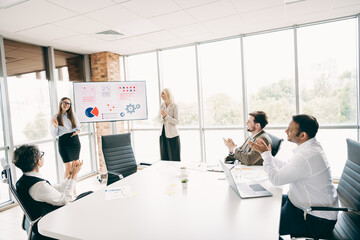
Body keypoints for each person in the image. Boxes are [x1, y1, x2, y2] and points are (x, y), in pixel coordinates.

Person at [249, 114, 339, 239]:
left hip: (315, 219)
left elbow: (276, 179)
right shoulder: (310, 148)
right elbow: (289, 167)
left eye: (290, 130)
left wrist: (266, 156)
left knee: (264, 227)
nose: (286, 131)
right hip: (302, 204)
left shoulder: (307, 155)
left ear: (302, 135)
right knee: (267, 201)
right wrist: (268, 155)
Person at [13, 144, 83, 240]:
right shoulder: (38, 186)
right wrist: (74, 175)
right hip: (49, 224)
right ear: (39, 162)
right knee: (86, 196)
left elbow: (55, 190)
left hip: (42, 220)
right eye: (42, 155)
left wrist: (70, 175)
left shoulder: (24, 180)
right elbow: (65, 200)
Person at [51, 97, 81, 179]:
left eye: (68, 104)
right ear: (61, 103)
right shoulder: (55, 117)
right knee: (68, 167)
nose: (66, 105)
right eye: (65, 103)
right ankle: (65, 189)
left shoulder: (72, 114)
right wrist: (56, 126)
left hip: (74, 141)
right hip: (64, 142)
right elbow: (54, 134)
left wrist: (77, 131)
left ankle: (73, 189)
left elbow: (78, 127)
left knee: (75, 166)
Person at [159, 88, 181, 161]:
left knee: (174, 158)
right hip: (163, 134)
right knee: (164, 158)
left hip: (172, 135)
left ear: (167, 94)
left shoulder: (174, 106)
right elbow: (160, 119)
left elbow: (176, 121)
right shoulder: (162, 105)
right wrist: (163, 117)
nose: (161, 95)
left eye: (163, 93)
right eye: (161, 93)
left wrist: (166, 116)